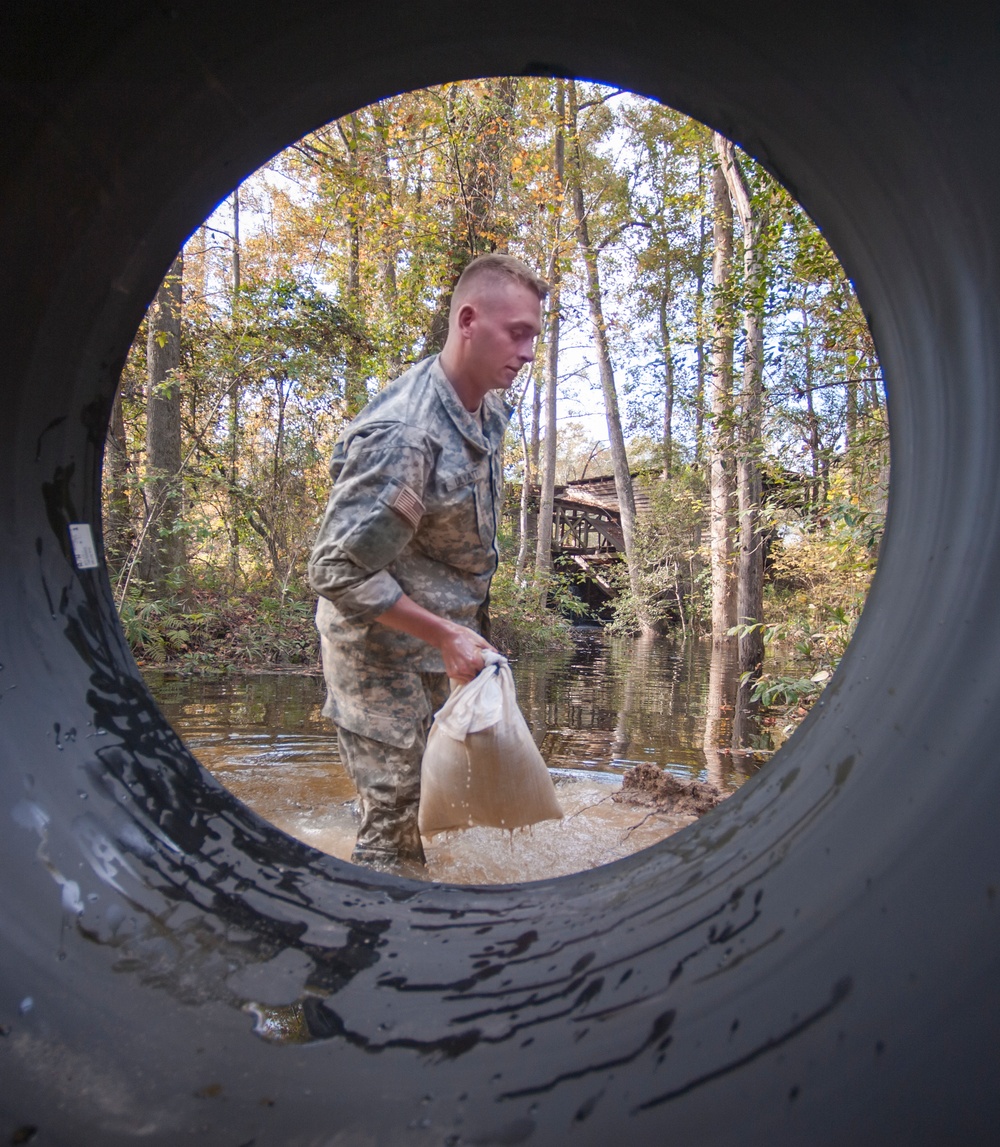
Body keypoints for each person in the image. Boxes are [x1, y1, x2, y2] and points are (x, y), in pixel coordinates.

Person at [308, 254, 547, 874]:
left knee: (428, 807)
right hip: (375, 651)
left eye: (534, 337)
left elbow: (453, 544)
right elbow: (336, 569)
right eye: (517, 333)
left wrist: (463, 633)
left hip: (433, 643)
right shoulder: (405, 436)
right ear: (469, 320)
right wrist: (445, 634)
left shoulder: (487, 409)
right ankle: (380, 956)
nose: (528, 352)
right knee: (392, 830)